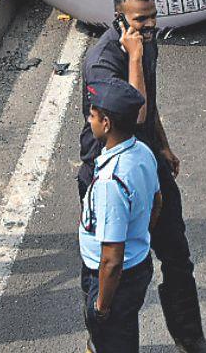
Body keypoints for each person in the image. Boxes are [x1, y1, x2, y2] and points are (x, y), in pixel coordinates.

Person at [78, 0, 206, 353]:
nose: (149, 25)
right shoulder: (103, 60)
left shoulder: (148, 40)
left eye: (152, 16)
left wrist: (162, 143)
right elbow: (135, 111)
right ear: (120, 19)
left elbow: (151, 104)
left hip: (145, 158)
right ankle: (101, 335)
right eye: (140, 19)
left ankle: (190, 337)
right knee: (114, 264)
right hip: (113, 169)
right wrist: (133, 58)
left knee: (176, 253)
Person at [79, 77, 162, 353]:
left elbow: (111, 260)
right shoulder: (142, 152)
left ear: (106, 123)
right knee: (122, 334)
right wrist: (139, 235)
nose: (89, 120)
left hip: (115, 280)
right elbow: (157, 201)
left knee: (113, 339)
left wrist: (102, 306)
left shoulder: (111, 182)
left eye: (92, 115)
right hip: (137, 266)